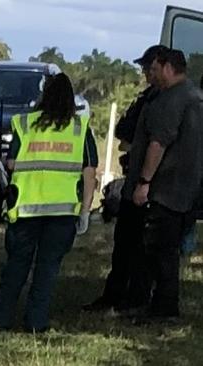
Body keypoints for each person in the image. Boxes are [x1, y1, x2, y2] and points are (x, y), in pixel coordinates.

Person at [0, 73, 98, 332]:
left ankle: (0, 320)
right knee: (47, 270)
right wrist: (85, 211)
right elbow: (89, 172)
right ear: (72, 100)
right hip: (62, 212)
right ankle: (36, 323)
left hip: (25, 209)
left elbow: (12, 163)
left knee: (16, 267)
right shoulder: (80, 129)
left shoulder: (25, 124)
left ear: (43, 96)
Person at [83, 45, 167, 313]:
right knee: (124, 243)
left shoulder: (166, 99)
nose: (145, 73)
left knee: (140, 247)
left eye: (148, 68)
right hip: (134, 177)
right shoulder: (148, 97)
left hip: (149, 182)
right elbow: (124, 128)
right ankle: (116, 294)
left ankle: (134, 298)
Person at [129, 49, 203, 320]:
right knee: (168, 250)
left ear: (168, 66)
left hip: (167, 189)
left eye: (154, 68)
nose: (150, 74)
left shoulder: (174, 98)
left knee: (160, 251)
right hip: (188, 189)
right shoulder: (195, 96)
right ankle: (161, 305)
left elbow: (158, 143)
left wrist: (144, 182)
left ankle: (163, 307)